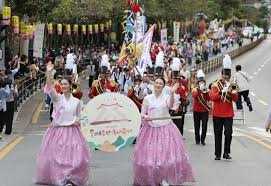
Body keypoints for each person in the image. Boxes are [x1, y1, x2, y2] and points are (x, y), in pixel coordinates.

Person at [133, 77, 195, 186]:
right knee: (150, 159)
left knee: (166, 157)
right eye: (156, 82)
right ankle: (152, 178)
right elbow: (142, 113)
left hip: (165, 129)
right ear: (153, 85)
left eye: (160, 83)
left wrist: (171, 93)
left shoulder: (167, 97)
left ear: (163, 86)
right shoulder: (147, 98)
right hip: (150, 130)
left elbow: (170, 105)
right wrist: (146, 117)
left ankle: (164, 178)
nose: (158, 85)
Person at [36, 64, 90, 186]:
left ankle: (71, 177)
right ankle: (62, 178)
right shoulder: (57, 98)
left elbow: (81, 116)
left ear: (71, 86)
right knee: (58, 157)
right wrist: (49, 73)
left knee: (76, 157)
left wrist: (78, 120)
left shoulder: (77, 102)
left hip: (73, 131)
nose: (64, 86)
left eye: (66, 84)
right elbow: (49, 87)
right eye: (62, 84)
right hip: (58, 131)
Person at [209, 54, 238, 160]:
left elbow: (235, 99)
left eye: (228, 75)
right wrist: (222, 91)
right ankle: (217, 154)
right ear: (221, 74)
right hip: (217, 113)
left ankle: (226, 152)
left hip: (228, 113)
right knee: (218, 134)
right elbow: (212, 97)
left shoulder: (232, 84)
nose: (226, 76)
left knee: (229, 133)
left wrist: (231, 91)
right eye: (225, 74)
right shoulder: (215, 84)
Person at [192, 70, 210, 145]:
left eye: (203, 82)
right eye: (200, 82)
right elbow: (194, 95)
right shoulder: (195, 89)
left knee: (204, 125)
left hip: (205, 110)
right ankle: (197, 139)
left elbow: (209, 99)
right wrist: (199, 89)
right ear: (198, 83)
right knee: (196, 125)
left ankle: (203, 139)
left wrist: (206, 91)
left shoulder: (206, 89)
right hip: (196, 110)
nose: (201, 83)